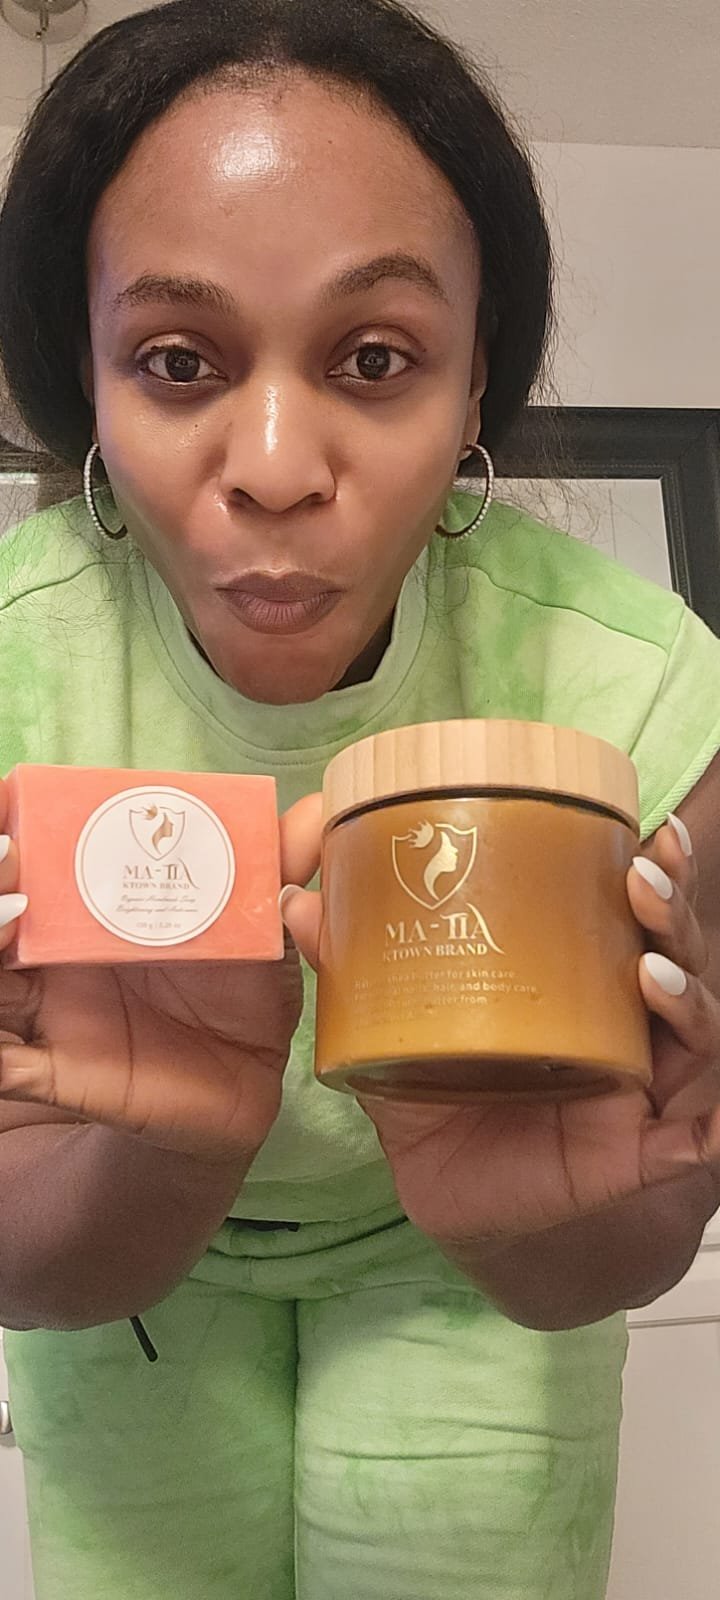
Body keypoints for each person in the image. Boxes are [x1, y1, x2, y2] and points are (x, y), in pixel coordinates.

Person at [0, 2, 719, 1596]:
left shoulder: (636, 685)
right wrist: (169, 1154)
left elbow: (627, 1226)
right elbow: (23, 1258)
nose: (273, 464)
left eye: (375, 359)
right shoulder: (11, 666)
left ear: (475, 384)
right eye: (176, 361)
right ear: (87, 381)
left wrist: (577, 1209)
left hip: (471, 1266)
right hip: (114, 1254)